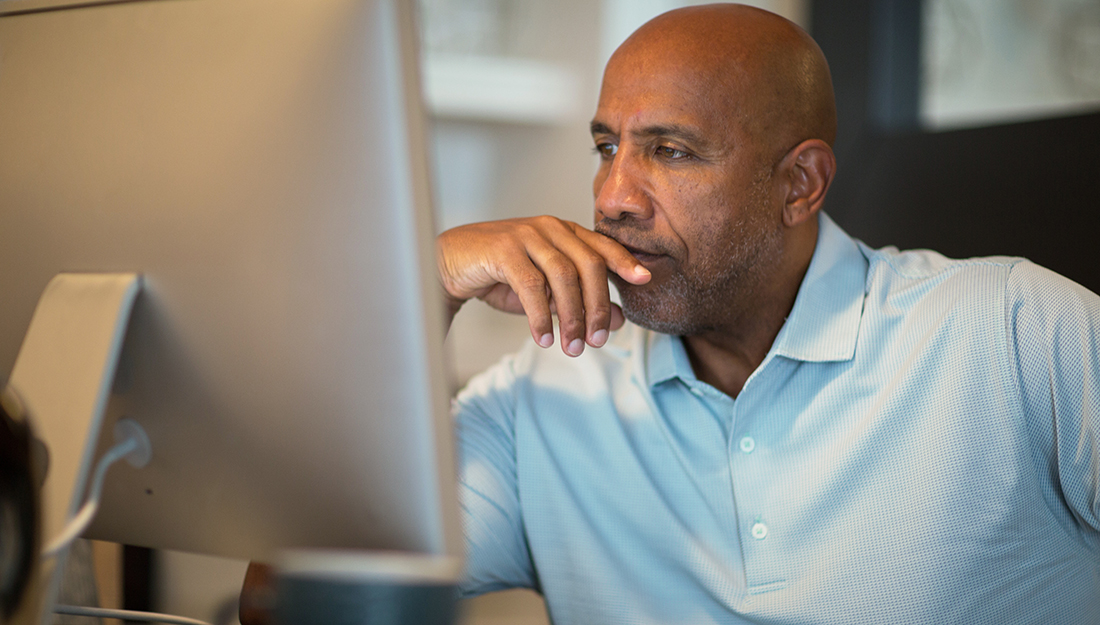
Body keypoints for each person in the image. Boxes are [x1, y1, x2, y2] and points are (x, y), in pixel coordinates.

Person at [246, 4, 1100, 623]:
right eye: (606, 146)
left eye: (671, 151)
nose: (613, 196)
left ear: (799, 185)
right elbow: (283, 600)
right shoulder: (548, 392)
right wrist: (426, 284)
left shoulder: (1014, 330)